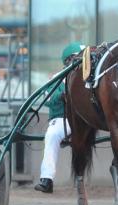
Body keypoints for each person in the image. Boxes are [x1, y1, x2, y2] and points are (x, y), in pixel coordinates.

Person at [34, 42, 84, 193]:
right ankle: (47, 179)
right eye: (79, 58)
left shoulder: (89, 77)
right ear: (69, 60)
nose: (83, 61)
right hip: (62, 120)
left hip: (84, 119)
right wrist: (61, 95)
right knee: (52, 134)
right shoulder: (57, 78)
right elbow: (47, 99)